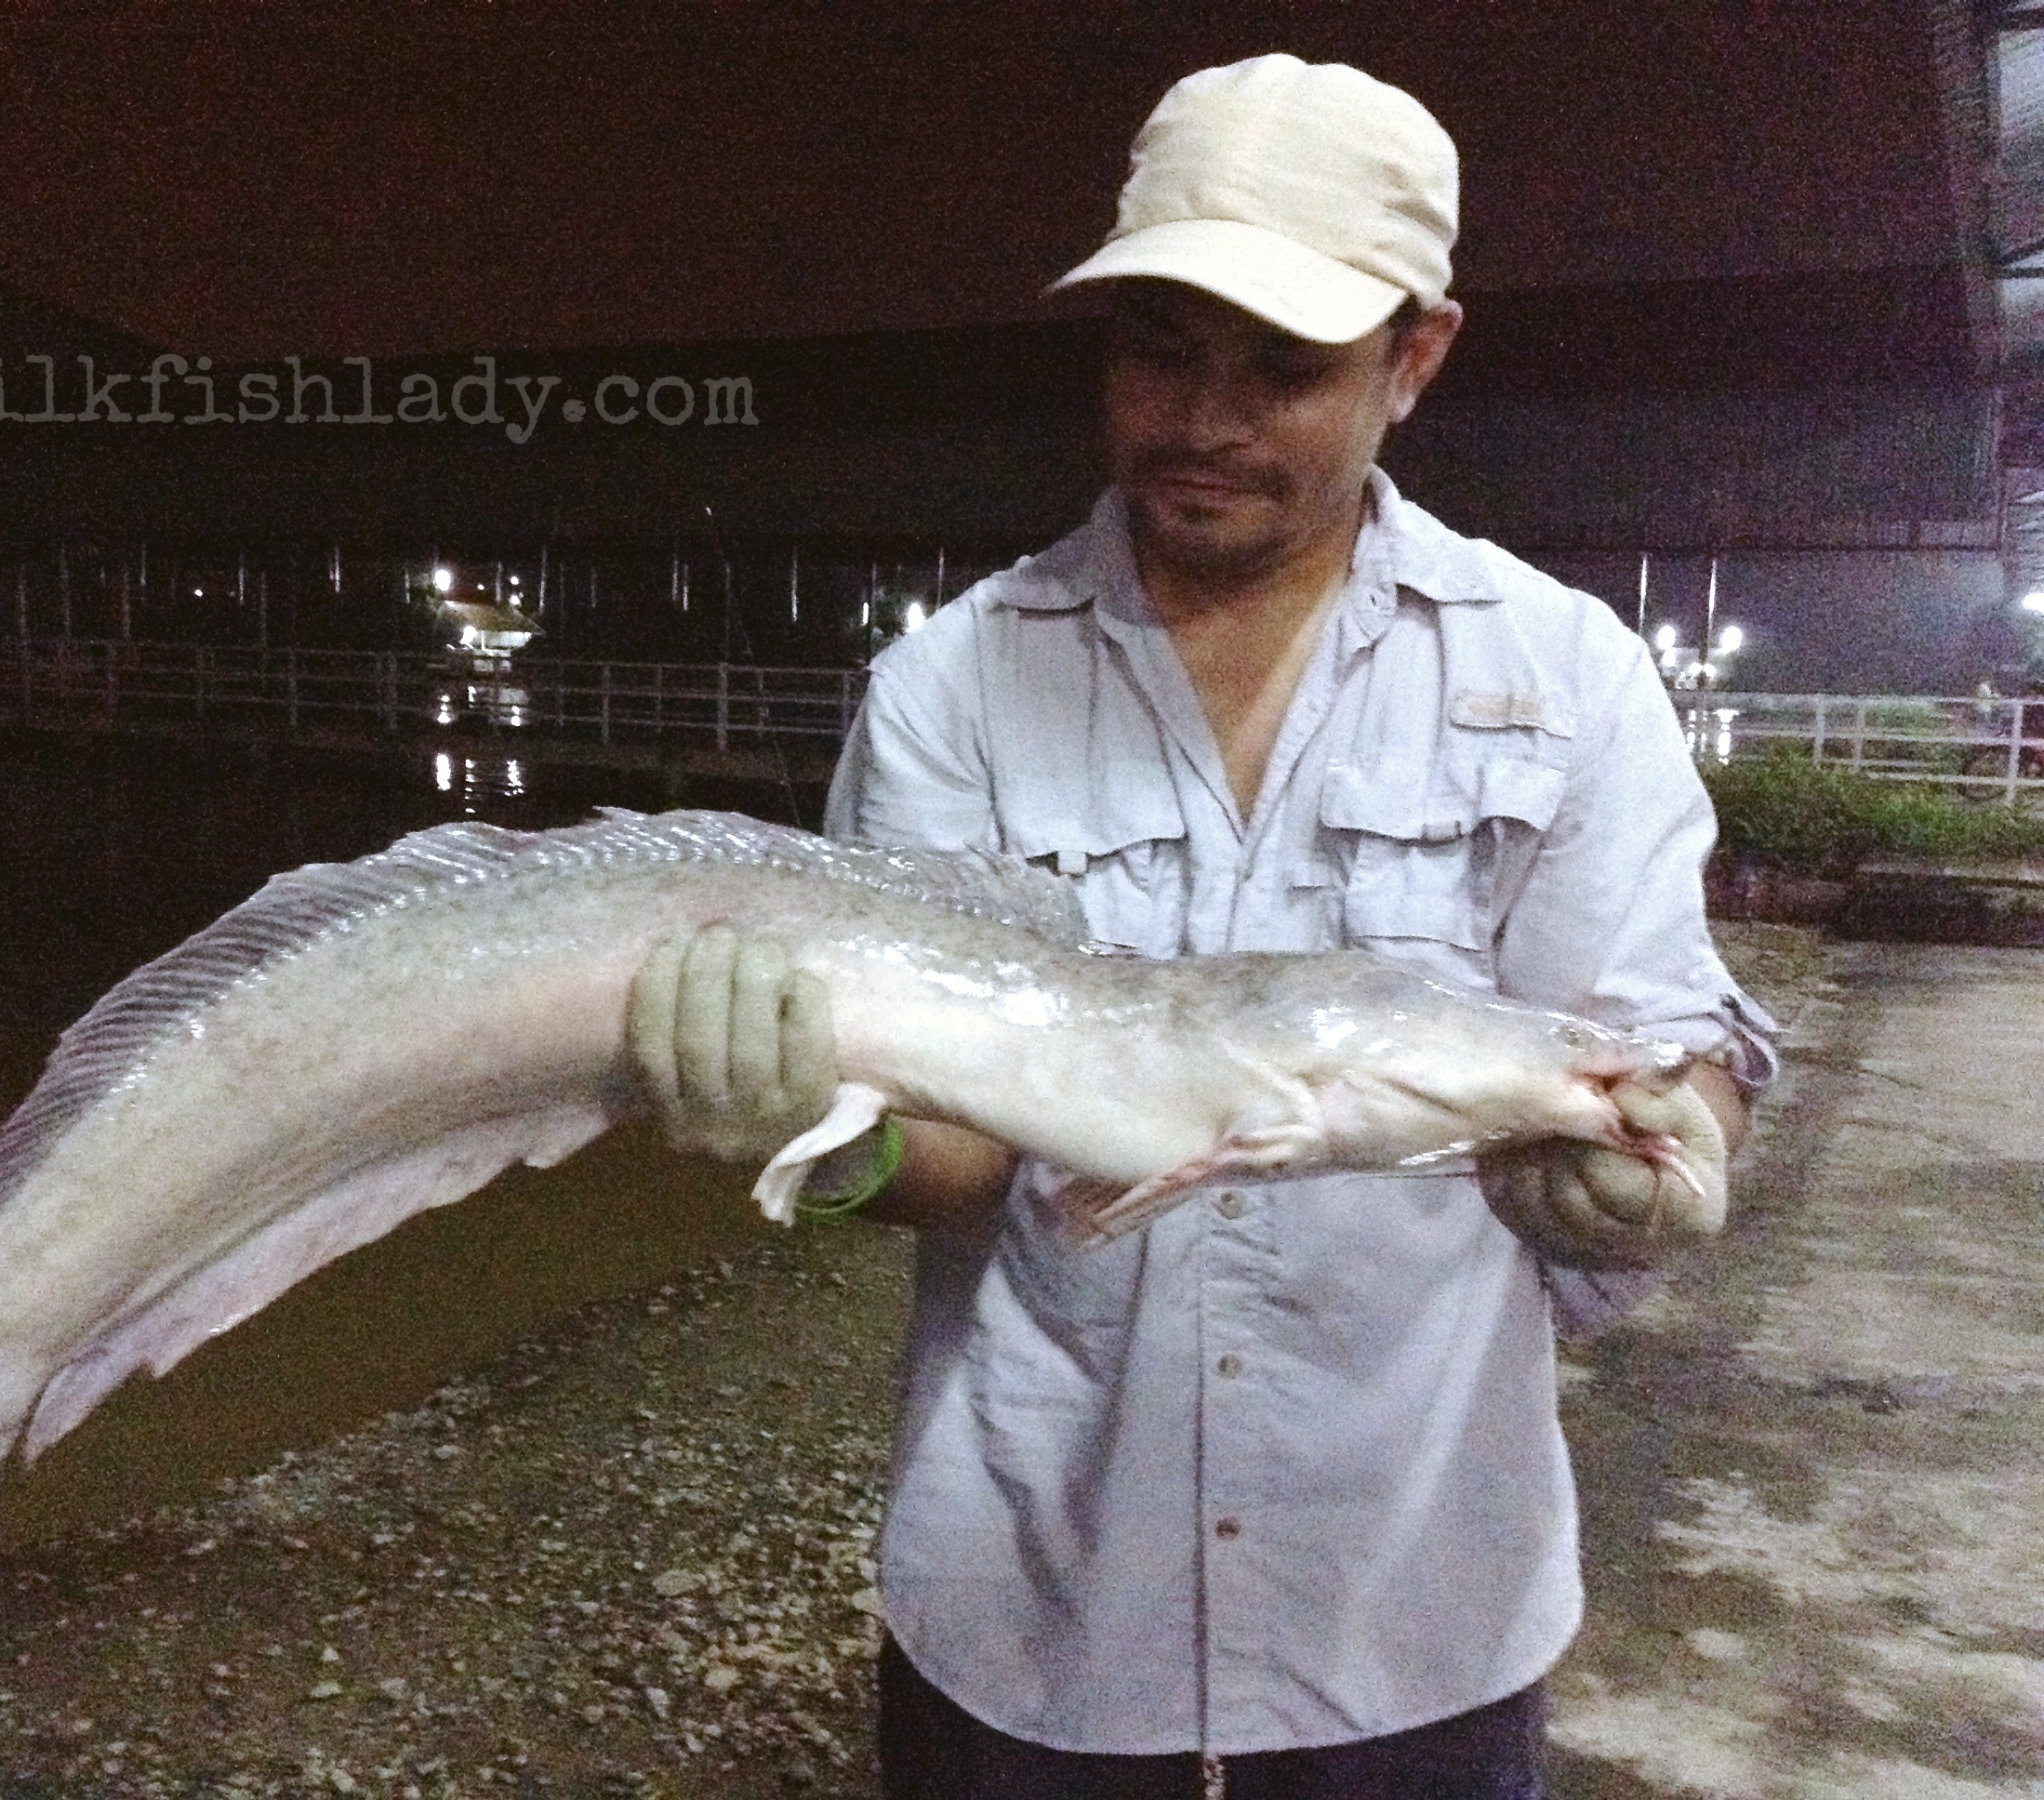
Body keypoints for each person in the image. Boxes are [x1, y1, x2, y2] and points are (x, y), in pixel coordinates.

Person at [628, 53, 1775, 1800]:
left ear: (1416, 358)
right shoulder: (955, 685)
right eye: (1160, 350)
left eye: (1286, 368)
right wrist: (825, 1139)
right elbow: (962, 1156)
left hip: (1414, 1613)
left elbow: (1658, 1043)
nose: (1206, 419)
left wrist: (1662, 1164)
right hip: (1036, 1611)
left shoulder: (1564, 678)